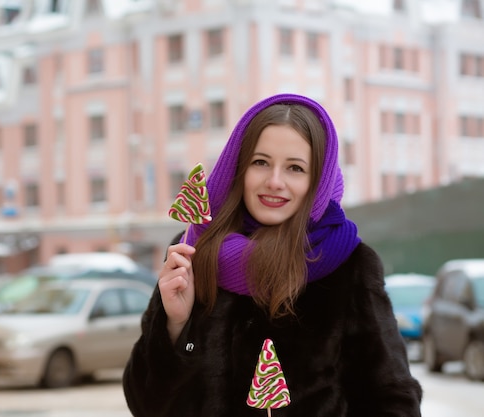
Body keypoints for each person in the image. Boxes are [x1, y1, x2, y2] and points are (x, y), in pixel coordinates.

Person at [123, 93, 422, 416]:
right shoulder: (193, 253)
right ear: (239, 168)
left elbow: (393, 401)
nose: (275, 181)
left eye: (295, 168)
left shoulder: (348, 266)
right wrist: (177, 328)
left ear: (317, 181)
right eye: (261, 162)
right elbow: (145, 405)